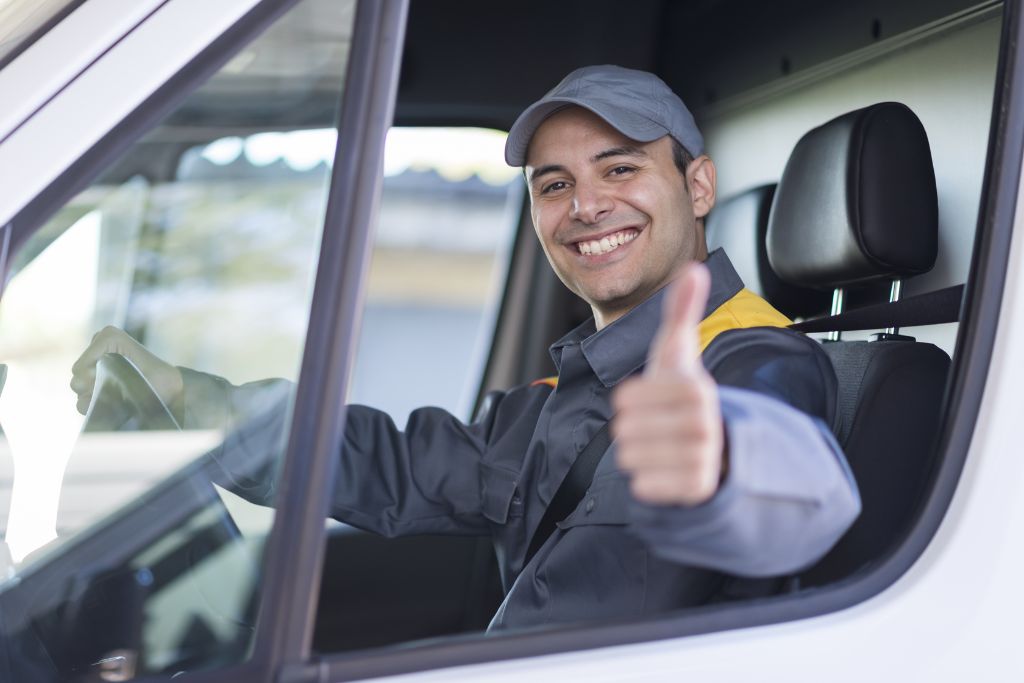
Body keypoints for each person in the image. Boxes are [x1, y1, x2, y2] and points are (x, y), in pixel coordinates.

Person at [71, 65, 860, 630]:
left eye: (620, 168)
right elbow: (399, 464)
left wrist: (722, 464)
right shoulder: (574, 387)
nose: (585, 204)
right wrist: (195, 399)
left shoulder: (751, 359)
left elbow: (790, 484)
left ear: (698, 187)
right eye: (554, 185)